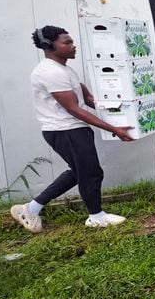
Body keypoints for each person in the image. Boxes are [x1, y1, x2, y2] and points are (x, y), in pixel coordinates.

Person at [10, 25, 134, 232]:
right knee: (91, 173)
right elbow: (74, 109)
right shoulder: (50, 72)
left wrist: (125, 111)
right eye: (66, 42)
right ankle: (96, 216)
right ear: (48, 45)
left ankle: (31, 208)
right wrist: (114, 128)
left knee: (78, 172)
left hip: (71, 129)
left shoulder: (64, 69)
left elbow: (87, 99)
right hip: (64, 130)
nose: (73, 46)